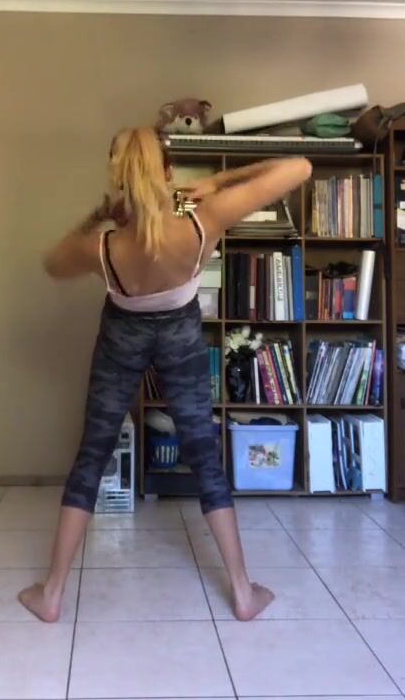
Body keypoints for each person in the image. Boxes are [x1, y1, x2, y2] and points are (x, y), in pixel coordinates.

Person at [19, 127, 312, 623]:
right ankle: (242, 592)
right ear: (169, 173)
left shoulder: (103, 244)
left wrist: (98, 215)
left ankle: (51, 594)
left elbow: (54, 264)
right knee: (204, 455)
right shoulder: (202, 218)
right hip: (180, 335)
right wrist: (217, 182)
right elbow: (299, 167)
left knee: (93, 453)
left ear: (117, 176)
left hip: (122, 336)